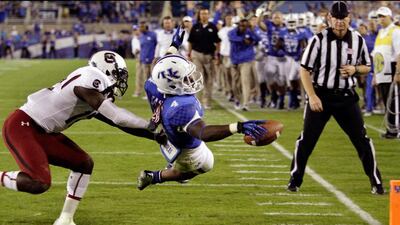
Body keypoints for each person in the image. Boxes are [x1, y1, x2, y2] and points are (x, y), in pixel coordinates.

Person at [1, 50, 165, 225]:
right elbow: (118, 116)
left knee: (83, 163)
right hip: (23, 125)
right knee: (38, 182)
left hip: (43, 131)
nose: (120, 80)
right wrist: (150, 124)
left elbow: (119, 123)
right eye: (118, 74)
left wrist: (156, 136)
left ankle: (66, 219)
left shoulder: (92, 92)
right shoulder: (90, 78)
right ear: (105, 70)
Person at [137, 26, 267, 190]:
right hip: (187, 149)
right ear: (174, 84)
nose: (191, 77)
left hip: (168, 129)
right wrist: (238, 127)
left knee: (190, 158)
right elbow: (203, 133)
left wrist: (173, 45)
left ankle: (171, 168)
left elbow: (164, 66)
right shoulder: (182, 107)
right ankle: (155, 176)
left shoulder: (152, 84)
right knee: (206, 164)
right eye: (186, 77)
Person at [287, 1, 384, 195]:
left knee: (362, 140)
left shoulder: (357, 39)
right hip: (321, 96)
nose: (340, 22)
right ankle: (294, 181)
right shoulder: (318, 40)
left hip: (347, 98)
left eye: (343, 17)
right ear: (330, 18)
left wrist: (355, 69)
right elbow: (304, 70)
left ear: (350, 17)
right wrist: (312, 96)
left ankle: (376, 182)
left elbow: (367, 66)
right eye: (336, 18)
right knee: (306, 140)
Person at [372, 6, 400, 138]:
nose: (381, 19)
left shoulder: (395, 31)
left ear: (390, 17)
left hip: (391, 71)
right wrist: (375, 76)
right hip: (381, 73)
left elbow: (399, 53)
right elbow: (377, 54)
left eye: (383, 16)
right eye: (379, 16)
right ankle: (390, 129)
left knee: (393, 102)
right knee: (386, 101)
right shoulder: (380, 33)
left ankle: (394, 130)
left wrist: (398, 73)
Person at [188, 7, 221, 109]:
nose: (204, 15)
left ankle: (207, 102)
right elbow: (190, 42)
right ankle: (198, 102)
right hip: (197, 54)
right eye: (202, 14)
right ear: (199, 15)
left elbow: (218, 42)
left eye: (206, 14)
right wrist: (189, 54)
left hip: (209, 56)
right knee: (198, 78)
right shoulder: (195, 27)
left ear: (208, 15)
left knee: (209, 80)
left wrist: (217, 54)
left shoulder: (213, 27)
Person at [133, 21, 157, 98]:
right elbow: (142, 48)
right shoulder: (141, 36)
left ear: (146, 26)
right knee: (146, 79)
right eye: (139, 27)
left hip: (152, 59)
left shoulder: (153, 35)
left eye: (141, 27)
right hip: (144, 60)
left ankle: (155, 93)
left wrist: (156, 56)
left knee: (154, 78)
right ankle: (148, 94)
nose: (140, 28)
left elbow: (157, 46)